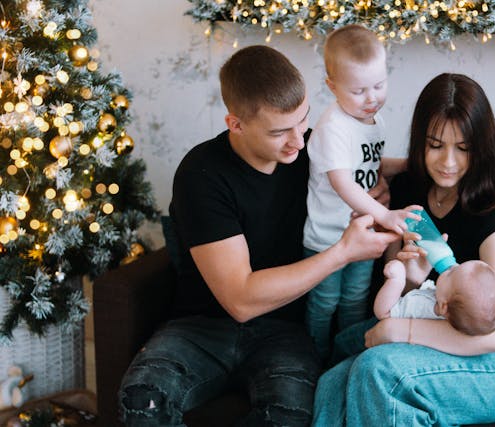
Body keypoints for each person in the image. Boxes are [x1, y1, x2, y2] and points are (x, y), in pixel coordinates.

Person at [117, 45, 401, 426]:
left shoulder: (315, 149)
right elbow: (240, 300)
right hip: (201, 327)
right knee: (141, 400)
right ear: (235, 124)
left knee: (290, 416)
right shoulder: (201, 174)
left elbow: (365, 167)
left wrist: (375, 187)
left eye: (303, 121)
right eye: (280, 132)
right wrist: (342, 253)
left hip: (286, 333)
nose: (298, 142)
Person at [313, 73, 495, 426]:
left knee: (379, 369)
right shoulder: (407, 192)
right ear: (420, 142)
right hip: (429, 323)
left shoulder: (494, 212)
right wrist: (410, 278)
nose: (448, 162)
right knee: (332, 382)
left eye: (463, 148)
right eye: (436, 145)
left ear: (480, 148)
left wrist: (399, 334)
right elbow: (403, 298)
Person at [303, 24, 414, 361]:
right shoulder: (333, 127)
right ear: (332, 86)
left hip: (363, 236)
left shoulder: (372, 122)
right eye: (359, 90)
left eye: (379, 86)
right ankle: (313, 358)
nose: (372, 98)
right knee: (324, 302)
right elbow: (344, 182)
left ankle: (347, 356)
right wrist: (384, 215)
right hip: (329, 238)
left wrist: (414, 164)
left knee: (355, 299)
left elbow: (374, 166)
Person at [374, 259, 495, 337]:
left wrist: (396, 280)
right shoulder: (444, 302)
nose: (452, 266)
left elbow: (384, 313)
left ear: (444, 306)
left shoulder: (422, 307)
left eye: (451, 273)